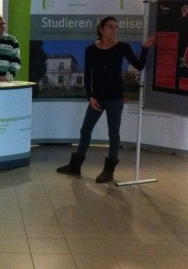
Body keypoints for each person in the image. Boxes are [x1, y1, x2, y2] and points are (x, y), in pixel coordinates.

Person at [56, 16, 156, 183]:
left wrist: (145, 47)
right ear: (101, 29)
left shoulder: (122, 47)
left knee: (113, 133)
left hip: (115, 98)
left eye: (116, 27)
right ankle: (75, 166)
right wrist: (90, 96)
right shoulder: (91, 49)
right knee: (85, 130)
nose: (113, 30)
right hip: (97, 98)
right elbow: (87, 75)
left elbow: (139, 66)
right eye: (110, 26)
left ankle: (108, 171)